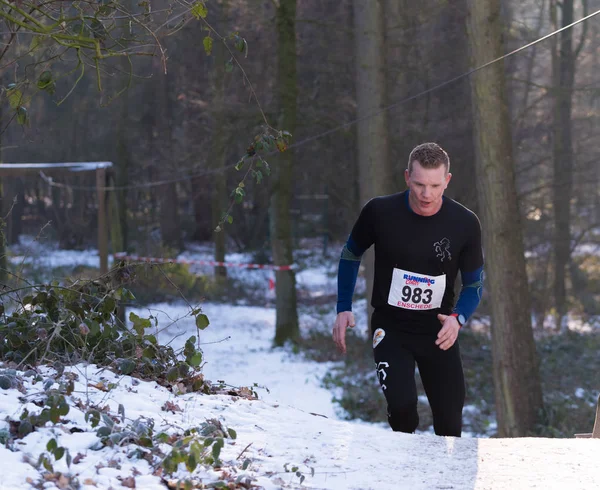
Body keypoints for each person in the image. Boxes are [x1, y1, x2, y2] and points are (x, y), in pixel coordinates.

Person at [332, 142, 484, 437]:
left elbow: (474, 283)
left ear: (447, 181)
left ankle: (444, 481)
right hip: (392, 328)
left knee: (450, 421)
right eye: (419, 184)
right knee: (402, 412)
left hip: (438, 332)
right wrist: (343, 307)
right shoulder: (379, 211)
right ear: (407, 178)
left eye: (435, 185)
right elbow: (351, 254)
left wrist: (458, 318)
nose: (426, 194)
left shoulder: (465, 223)